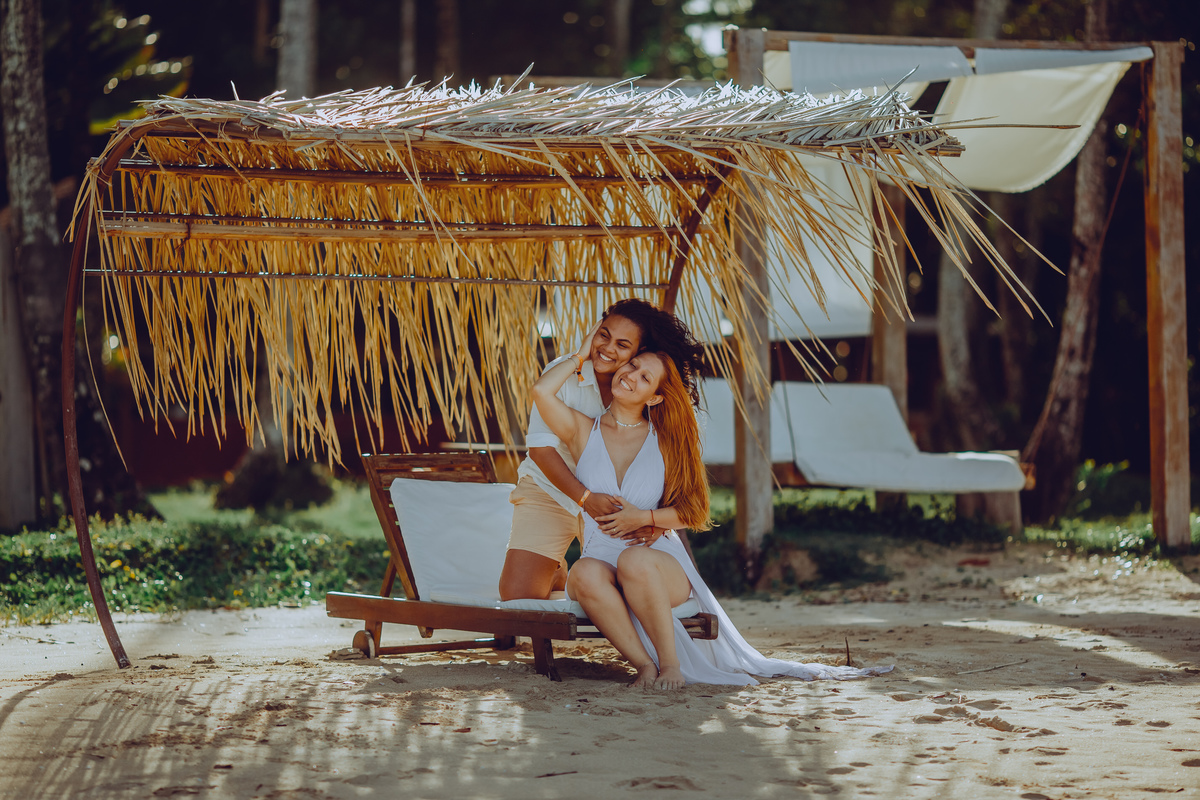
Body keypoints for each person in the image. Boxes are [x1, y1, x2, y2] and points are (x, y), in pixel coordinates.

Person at [531, 325, 893, 690]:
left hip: (653, 562)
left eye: (645, 377)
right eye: (633, 366)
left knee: (633, 560)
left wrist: (644, 517)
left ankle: (670, 665)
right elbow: (541, 391)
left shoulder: (667, 440)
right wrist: (580, 355)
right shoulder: (583, 430)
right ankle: (644, 665)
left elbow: (695, 511)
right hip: (602, 561)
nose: (631, 376)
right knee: (582, 573)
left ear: (655, 398)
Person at [498, 299, 703, 601]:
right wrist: (584, 498)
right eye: (603, 334)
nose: (606, 349)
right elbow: (542, 451)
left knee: (622, 588)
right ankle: (555, 569)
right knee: (518, 596)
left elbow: (666, 462)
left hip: (614, 504)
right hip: (550, 489)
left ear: (640, 352)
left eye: (623, 344)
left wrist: (652, 521)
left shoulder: (649, 387)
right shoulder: (562, 373)